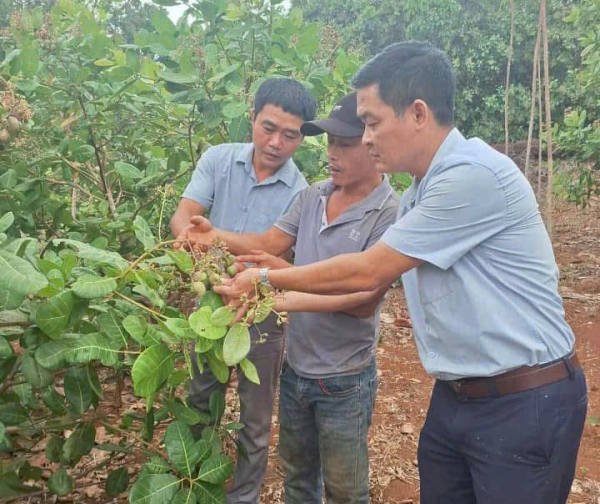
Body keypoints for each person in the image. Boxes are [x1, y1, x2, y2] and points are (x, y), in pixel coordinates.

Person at [215, 42, 588, 504]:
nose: (366, 139)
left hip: (523, 401)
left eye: (371, 123)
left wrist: (269, 281)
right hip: (457, 396)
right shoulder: (418, 194)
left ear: (417, 113)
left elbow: (369, 272)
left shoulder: (471, 175)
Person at [179, 92, 399, 503]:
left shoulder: (388, 213)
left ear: (373, 145)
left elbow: (364, 299)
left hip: (345, 378)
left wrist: (282, 290)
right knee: (298, 478)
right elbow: (268, 242)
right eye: (330, 143)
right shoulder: (313, 195)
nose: (333, 154)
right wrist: (216, 237)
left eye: (345, 145)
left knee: (345, 490)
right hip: (297, 371)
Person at [169, 77, 317, 504]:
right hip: (210, 306)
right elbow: (183, 216)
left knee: (255, 419)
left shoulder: (301, 192)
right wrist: (193, 238)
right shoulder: (218, 160)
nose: (276, 142)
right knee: (199, 401)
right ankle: (191, 483)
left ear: (302, 137)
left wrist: (210, 237)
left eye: (290, 135)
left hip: (262, 316)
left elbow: (271, 247)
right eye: (268, 128)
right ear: (251, 117)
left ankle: (243, 498)